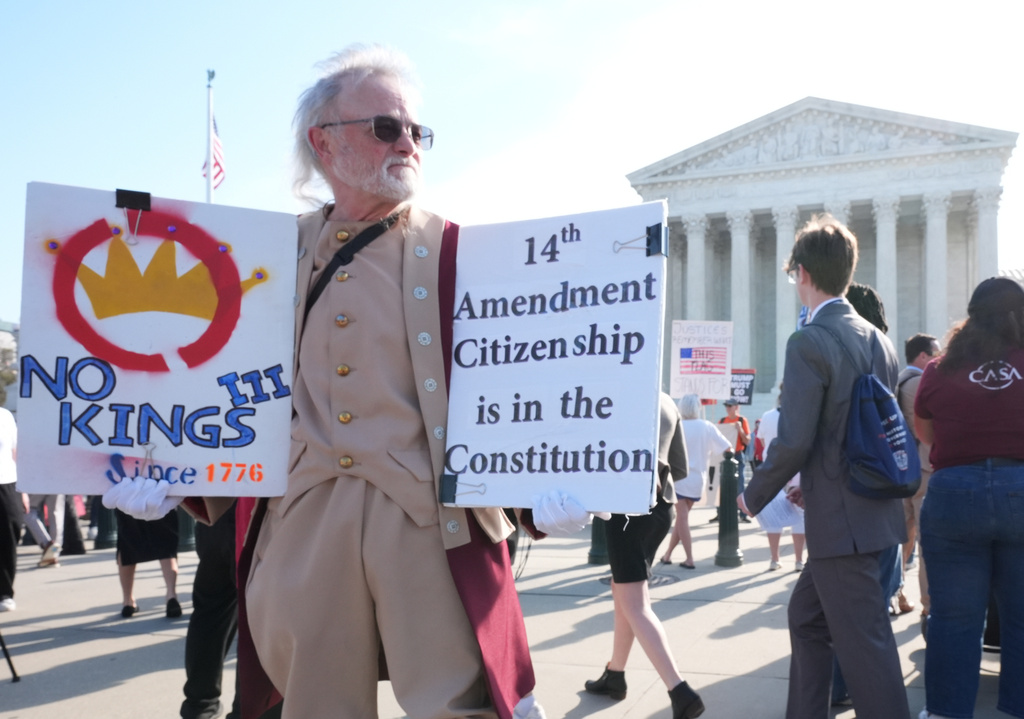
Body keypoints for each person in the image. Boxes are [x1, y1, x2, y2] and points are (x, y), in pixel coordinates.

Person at [164, 45, 554, 719]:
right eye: (385, 127)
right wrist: (171, 469)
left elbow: (515, 390)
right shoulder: (262, 258)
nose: (407, 142)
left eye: (415, 131)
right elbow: (214, 384)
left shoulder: (465, 252)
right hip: (302, 524)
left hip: (431, 526)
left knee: (461, 703)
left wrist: (546, 482)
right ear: (325, 142)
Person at [739, 214, 910, 719]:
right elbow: (858, 429)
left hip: (843, 524)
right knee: (807, 619)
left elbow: (794, 440)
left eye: (795, 274)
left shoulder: (809, 341)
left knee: (867, 650)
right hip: (870, 511)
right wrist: (811, 485)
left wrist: (753, 495)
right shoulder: (879, 339)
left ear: (805, 274)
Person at [913, 276, 1024, 719]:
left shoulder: (939, 368)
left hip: (954, 491)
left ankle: (945, 712)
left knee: (955, 620)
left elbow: (925, 433)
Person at [585, 393, 705, 719]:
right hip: (661, 507)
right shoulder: (666, 400)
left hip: (628, 509)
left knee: (634, 602)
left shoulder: (615, 394)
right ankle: (615, 674)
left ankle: (680, 691)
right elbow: (678, 467)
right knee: (623, 590)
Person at [180, 500, 240, 719]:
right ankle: (247, 711)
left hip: (217, 510)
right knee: (257, 618)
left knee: (210, 611)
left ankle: (199, 706)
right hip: (259, 508)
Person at [898, 332, 940, 633]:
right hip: (924, 469)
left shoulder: (898, 380)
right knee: (927, 544)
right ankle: (928, 606)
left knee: (902, 539)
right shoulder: (918, 383)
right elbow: (927, 429)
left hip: (902, 472)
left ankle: (897, 593)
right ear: (923, 357)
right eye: (936, 353)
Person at [660, 394, 730, 569]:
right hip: (698, 479)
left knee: (682, 518)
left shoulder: (678, 425)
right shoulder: (706, 426)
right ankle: (667, 555)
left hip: (678, 477)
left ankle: (689, 558)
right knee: (682, 518)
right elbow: (727, 447)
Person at [754, 386, 805, 572]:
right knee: (799, 516)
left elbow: (760, 441)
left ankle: (774, 559)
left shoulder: (767, 416)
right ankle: (799, 560)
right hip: (797, 470)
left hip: (773, 471)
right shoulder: (801, 418)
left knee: (774, 516)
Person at [115, 508, 181, 619]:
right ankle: (171, 595)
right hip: (159, 498)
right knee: (166, 545)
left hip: (128, 498)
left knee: (127, 544)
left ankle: (128, 601)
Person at [0, 407, 21, 612]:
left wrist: (22, 490)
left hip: (7, 481)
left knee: (11, 531)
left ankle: (5, 592)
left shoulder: (5, 415)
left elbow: (15, 452)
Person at [718, 399, 751, 522]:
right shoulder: (722, 421)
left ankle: (742, 513)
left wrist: (740, 430)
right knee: (721, 485)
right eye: (726, 406)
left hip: (737, 455)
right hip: (724, 455)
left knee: (740, 484)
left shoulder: (742, 420)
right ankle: (720, 512)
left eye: (730, 406)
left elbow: (747, 440)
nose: (727, 408)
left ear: (736, 407)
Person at [24, 493, 64, 567]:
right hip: (59, 482)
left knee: (27, 510)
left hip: (38, 482)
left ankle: (48, 545)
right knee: (56, 512)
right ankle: (54, 551)